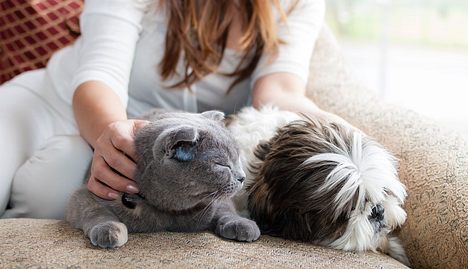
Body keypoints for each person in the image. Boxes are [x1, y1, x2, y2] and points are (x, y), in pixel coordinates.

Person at [0, 0, 346, 219]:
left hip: (153, 148)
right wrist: (113, 135)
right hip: (49, 105)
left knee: (50, 196)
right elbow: (99, 77)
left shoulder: (297, 4)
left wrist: (350, 134)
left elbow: (280, 93)